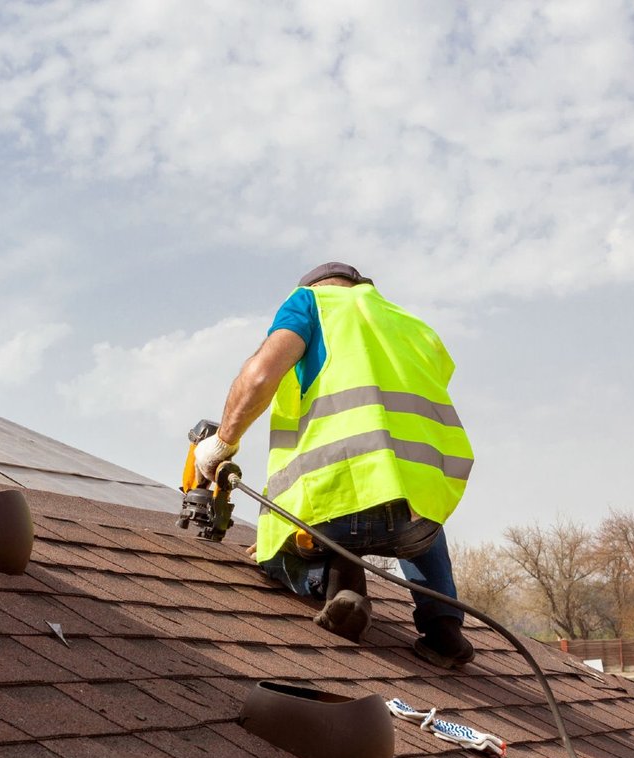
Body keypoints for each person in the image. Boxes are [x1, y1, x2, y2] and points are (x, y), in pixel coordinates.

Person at [194, 261, 475, 667]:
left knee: (274, 553)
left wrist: (221, 444)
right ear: (361, 288)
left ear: (318, 288)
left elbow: (259, 377)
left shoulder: (310, 304)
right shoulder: (411, 325)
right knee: (418, 515)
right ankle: (444, 629)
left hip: (335, 510)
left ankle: (341, 586)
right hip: (419, 514)